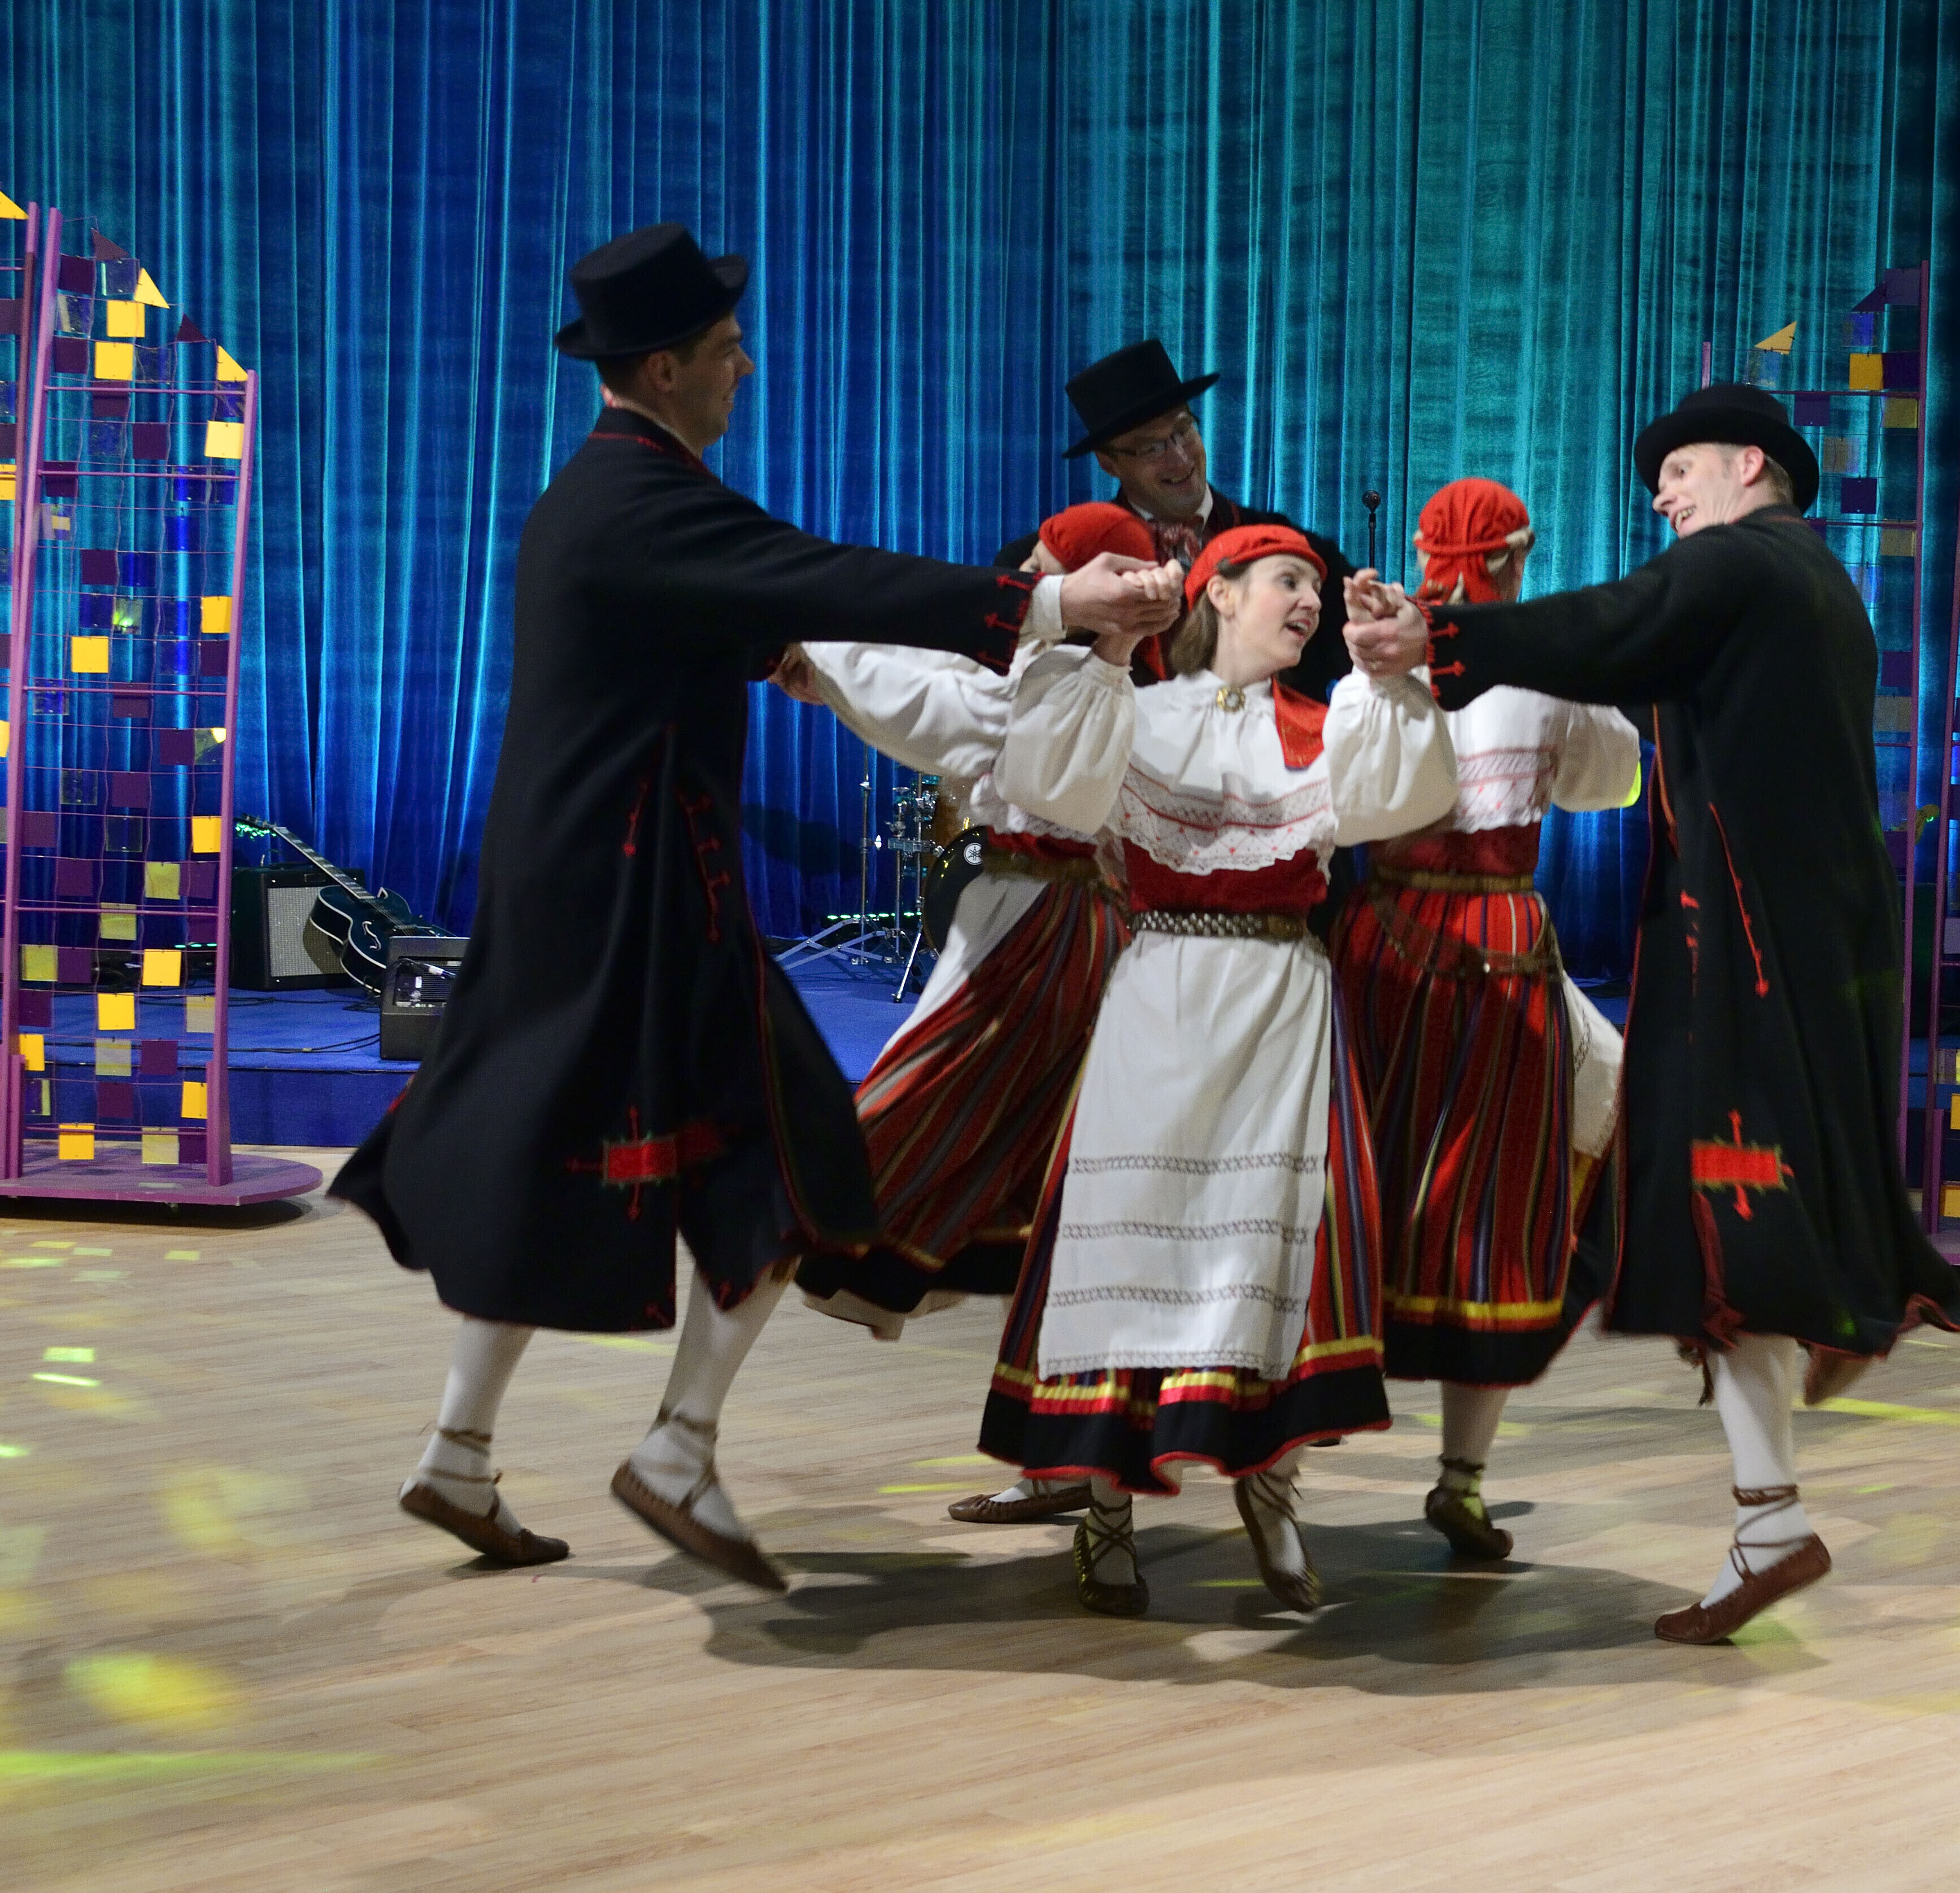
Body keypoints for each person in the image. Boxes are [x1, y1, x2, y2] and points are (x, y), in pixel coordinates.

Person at [333, 224, 1180, 1592]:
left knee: (562, 1149)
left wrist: (782, 647)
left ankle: (461, 1452)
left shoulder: (598, 497)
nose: (747, 367)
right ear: (664, 367)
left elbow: (743, 612)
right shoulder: (644, 495)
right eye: (727, 350)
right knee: (801, 1166)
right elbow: (819, 570)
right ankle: (672, 1449)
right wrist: (1041, 602)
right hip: (645, 894)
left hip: (592, 886)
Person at [1341, 384, 1960, 1643]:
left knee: (1722, 1202)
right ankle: (1812, 1390)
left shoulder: (1745, 563)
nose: (1661, 494)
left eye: (1679, 471)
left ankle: (1833, 1318)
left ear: (1749, 465)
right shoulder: (1809, 584)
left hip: (1745, 952)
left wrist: (1441, 640)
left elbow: (1616, 623)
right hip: (1788, 942)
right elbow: (1631, 672)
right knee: (1715, 1195)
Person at [977, 525, 1460, 1616]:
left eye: (1315, 587)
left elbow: (1403, 798)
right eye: (1288, 581)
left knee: (1266, 1245)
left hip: (1279, 1003)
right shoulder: (1138, 713)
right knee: (1132, 1233)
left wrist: (1390, 674)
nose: (1308, 601)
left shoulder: (1328, 724)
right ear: (1221, 593)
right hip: (1161, 996)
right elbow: (1049, 782)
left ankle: (1270, 1491)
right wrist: (1107, 654)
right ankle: (1107, 1508)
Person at [771, 502, 1161, 1526]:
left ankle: (692, 1413)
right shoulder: (1063, 675)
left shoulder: (1071, 683)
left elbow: (936, 708)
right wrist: (830, 676)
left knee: (867, 1154)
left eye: (1044, 564)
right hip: (1065, 931)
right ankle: (1065, 1461)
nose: (1025, 579)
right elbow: (937, 691)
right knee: (1059, 1208)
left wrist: (811, 643)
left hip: (1036, 936)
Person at [1330, 477, 1640, 1560]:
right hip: (1490, 937)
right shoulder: (1531, 664)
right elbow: (1609, 783)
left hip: (1391, 939)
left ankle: (1298, 1440)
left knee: (1357, 1184)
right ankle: (1459, 1475)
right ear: (1518, 557)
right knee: (1495, 1197)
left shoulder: (1376, 660)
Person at [993, 339, 1354, 697]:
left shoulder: (1293, 549)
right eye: (1151, 447)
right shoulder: (1045, 562)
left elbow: (1357, 660)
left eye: (1183, 431)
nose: (1180, 458)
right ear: (1108, 463)